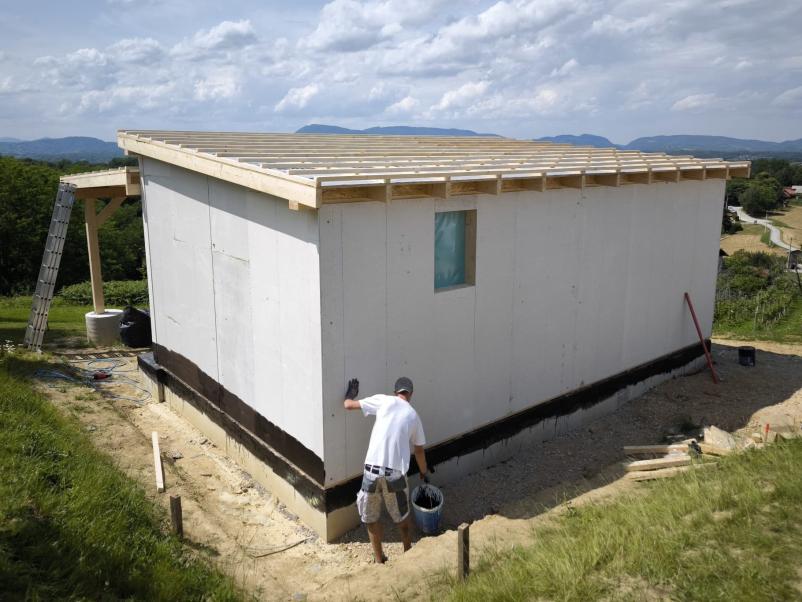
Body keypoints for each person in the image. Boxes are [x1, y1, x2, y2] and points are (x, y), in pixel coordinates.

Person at [343, 376, 431, 564]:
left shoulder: (383, 400)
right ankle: (408, 554)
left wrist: (350, 394)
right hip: (395, 476)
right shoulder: (413, 415)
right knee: (402, 517)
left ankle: (379, 559)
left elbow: (349, 405)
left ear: (395, 392)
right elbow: (419, 450)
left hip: (371, 473)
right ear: (411, 394)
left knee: (371, 517)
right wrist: (423, 471)